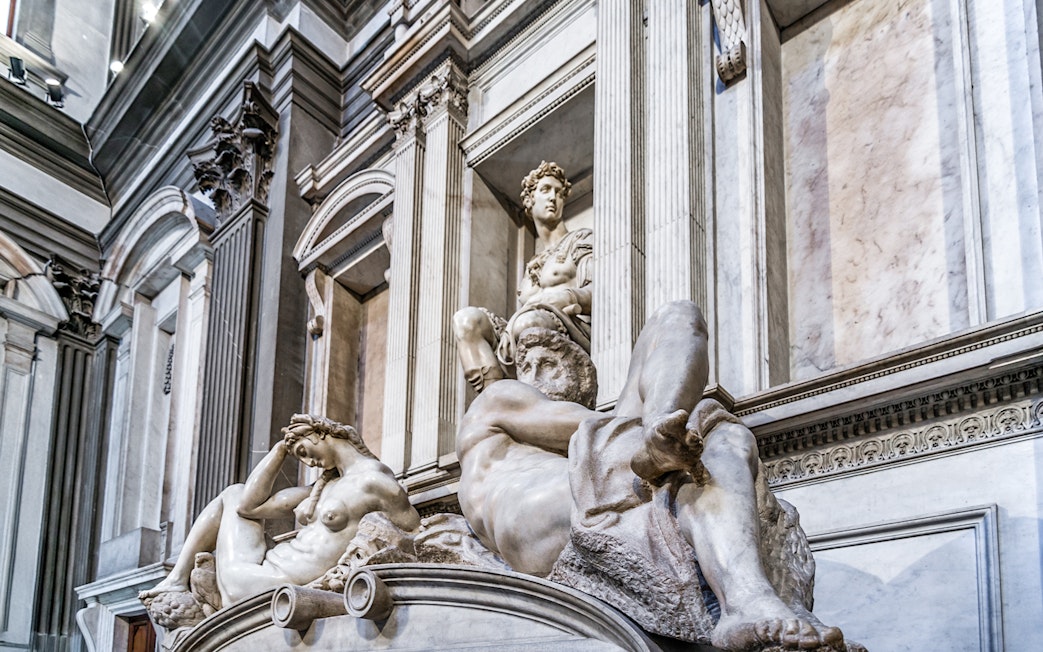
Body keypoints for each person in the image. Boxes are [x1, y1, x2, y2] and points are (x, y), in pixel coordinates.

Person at [456, 301, 851, 651]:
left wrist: (658, 418)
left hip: (586, 479)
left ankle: (749, 600)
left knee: (680, 322)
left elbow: (602, 426)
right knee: (707, 428)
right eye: (529, 365)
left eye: (551, 364)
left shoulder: (581, 436)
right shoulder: (500, 399)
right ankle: (745, 597)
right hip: (538, 508)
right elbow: (468, 324)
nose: (536, 374)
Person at [141, 414, 420, 612]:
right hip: (256, 575)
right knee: (234, 492)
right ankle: (176, 578)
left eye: (304, 451)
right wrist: (279, 452)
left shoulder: (374, 481)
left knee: (232, 494)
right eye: (301, 457)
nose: (310, 462)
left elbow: (414, 533)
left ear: (319, 433)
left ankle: (177, 580)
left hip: (271, 583)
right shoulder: (324, 486)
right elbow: (248, 506)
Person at [453, 161, 592, 394]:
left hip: (569, 330)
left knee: (528, 324)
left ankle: (520, 407)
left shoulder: (580, 240)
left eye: (559, 193)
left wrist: (565, 298)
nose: (553, 198)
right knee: (466, 320)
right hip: (524, 334)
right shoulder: (531, 266)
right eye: (545, 190)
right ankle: (496, 402)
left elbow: (598, 290)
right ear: (529, 200)